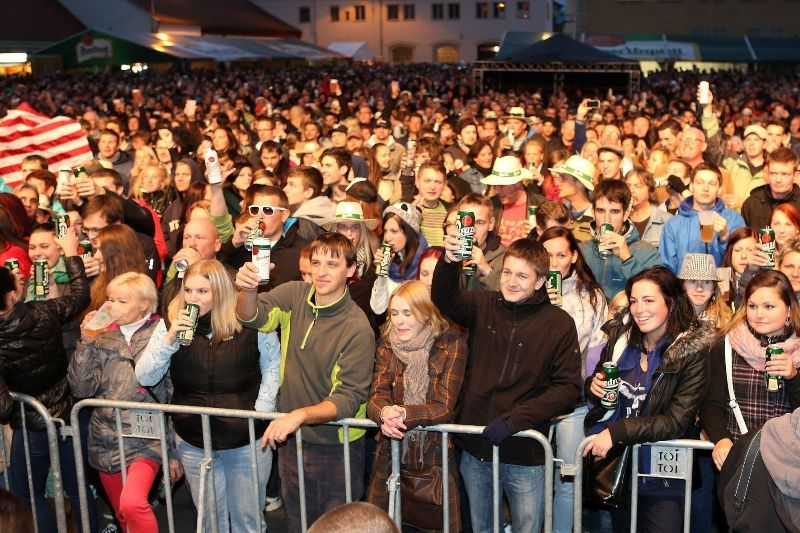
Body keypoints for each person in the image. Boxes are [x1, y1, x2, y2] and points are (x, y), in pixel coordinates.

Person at [433, 237, 582, 533]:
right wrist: (449, 261)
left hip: (526, 451)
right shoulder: (483, 305)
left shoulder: (559, 323)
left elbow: (567, 389)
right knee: (482, 528)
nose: (512, 282)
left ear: (541, 281)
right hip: (476, 448)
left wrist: (516, 421)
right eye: (507, 272)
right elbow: (445, 297)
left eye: (522, 275)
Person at [235, 232, 376, 532]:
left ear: (351, 270)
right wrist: (248, 289)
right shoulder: (295, 295)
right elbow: (251, 316)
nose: (321, 271)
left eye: (332, 264)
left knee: (339, 528)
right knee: (298, 523)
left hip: (336, 448)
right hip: (294, 442)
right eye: (316, 262)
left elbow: (348, 399)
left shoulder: (357, 328)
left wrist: (299, 415)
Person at [136, 259, 280, 532]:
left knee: (247, 522)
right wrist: (169, 340)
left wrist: (259, 414)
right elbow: (145, 377)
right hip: (193, 440)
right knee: (210, 521)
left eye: (202, 291)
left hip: (245, 440)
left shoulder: (250, 320)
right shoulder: (172, 322)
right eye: (188, 290)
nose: (193, 298)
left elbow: (272, 366)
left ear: (221, 292)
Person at [584, 266, 714, 533]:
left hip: (664, 473)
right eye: (633, 300)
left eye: (649, 300)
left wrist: (617, 432)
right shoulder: (620, 341)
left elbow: (676, 421)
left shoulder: (692, 352)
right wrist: (592, 387)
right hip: (620, 466)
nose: (638, 308)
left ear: (670, 302)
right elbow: (600, 389)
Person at [0, 228, 98, 533]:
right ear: (13, 293)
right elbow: (81, 295)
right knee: (80, 490)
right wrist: (71, 253)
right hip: (68, 414)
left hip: (31, 425)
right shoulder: (43, 311)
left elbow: (3, 408)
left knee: (28, 495)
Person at [69, 272, 175, 533]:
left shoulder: (162, 333)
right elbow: (81, 388)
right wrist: (85, 343)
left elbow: (175, 393)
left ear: (145, 303)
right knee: (123, 516)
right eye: (110, 299)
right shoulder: (100, 334)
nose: (112, 306)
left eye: (122, 301)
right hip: (106, 438)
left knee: (132, 503)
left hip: (146, 437)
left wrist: (173, 450)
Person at [366, 280, 468, 531]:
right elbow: (376, 396)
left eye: (407, 313)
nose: (399, 321)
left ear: (425, 313)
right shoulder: (387, 343)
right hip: (390, 454)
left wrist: (403, 413)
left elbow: (444, 406)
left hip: (433, 458)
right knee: (384, 525)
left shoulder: (451, 344)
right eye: (394, 313)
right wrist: (384, 413)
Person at [538, 226, 607, 533]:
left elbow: (597, 349)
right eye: (547, 255)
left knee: (567, 479)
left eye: (561, 255)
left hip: (573, 401)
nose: (554, 263)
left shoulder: (591, 298)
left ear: (574, 257)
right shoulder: (526, 291)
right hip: (532, 399)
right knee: (530, 476)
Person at [701, 270, 800, 472]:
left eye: (769, 306)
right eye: (753, 306)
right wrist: (721, 440)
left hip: (788, 465)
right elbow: (711, 404)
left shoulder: (797, 352)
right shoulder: (727, 345)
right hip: (738, 458)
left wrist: (793, 377)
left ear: (789, 309)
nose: (759, 314)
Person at [579, 179, 662, 300]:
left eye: (614, 211)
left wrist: (627, 259)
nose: (607, 219)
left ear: (626, 214)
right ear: (593, 212)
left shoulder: (647, 252)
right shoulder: (582, 250)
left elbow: (657, 295)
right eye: (601, 211)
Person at [660, 163, 745, 274]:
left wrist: (725, 238)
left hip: (723, 289)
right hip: (685, 289)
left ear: (719, 189)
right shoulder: (673, 225)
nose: (705, 188)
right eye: (700, 183)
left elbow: (741, 263)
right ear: (691, 186)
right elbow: (667, 270)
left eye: (712, 184)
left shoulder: (734, 220)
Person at [370, 202, 429, 315]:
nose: (387, 238)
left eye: (394, 231)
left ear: (409, 232)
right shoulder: (391, 259)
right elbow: (378, 309)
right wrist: (382, 274)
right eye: (385, 231)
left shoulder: (428, 257)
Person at [481, 155, 545, 247]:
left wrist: (537, 236)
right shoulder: (491, 204)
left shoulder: (541, 206)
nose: (497, 190)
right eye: (495, 186)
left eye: (502, 186)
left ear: (518, 183)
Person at [742, 147, 800, 232]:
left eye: (784, 174)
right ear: (767, 175)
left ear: (796, 176)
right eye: (773, 173)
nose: (778, 180)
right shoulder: (751, 204)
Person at [549, 155, 596, 241]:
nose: (557, 183)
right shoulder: (560, 213)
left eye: (563, 178)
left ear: (579, 183)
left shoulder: (596, 217)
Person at [625, 168, 672, 249]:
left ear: (650, 189)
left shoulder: (666, 221)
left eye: (638, 186)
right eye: (628, 185)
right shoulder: (618, 218)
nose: (631, 190)